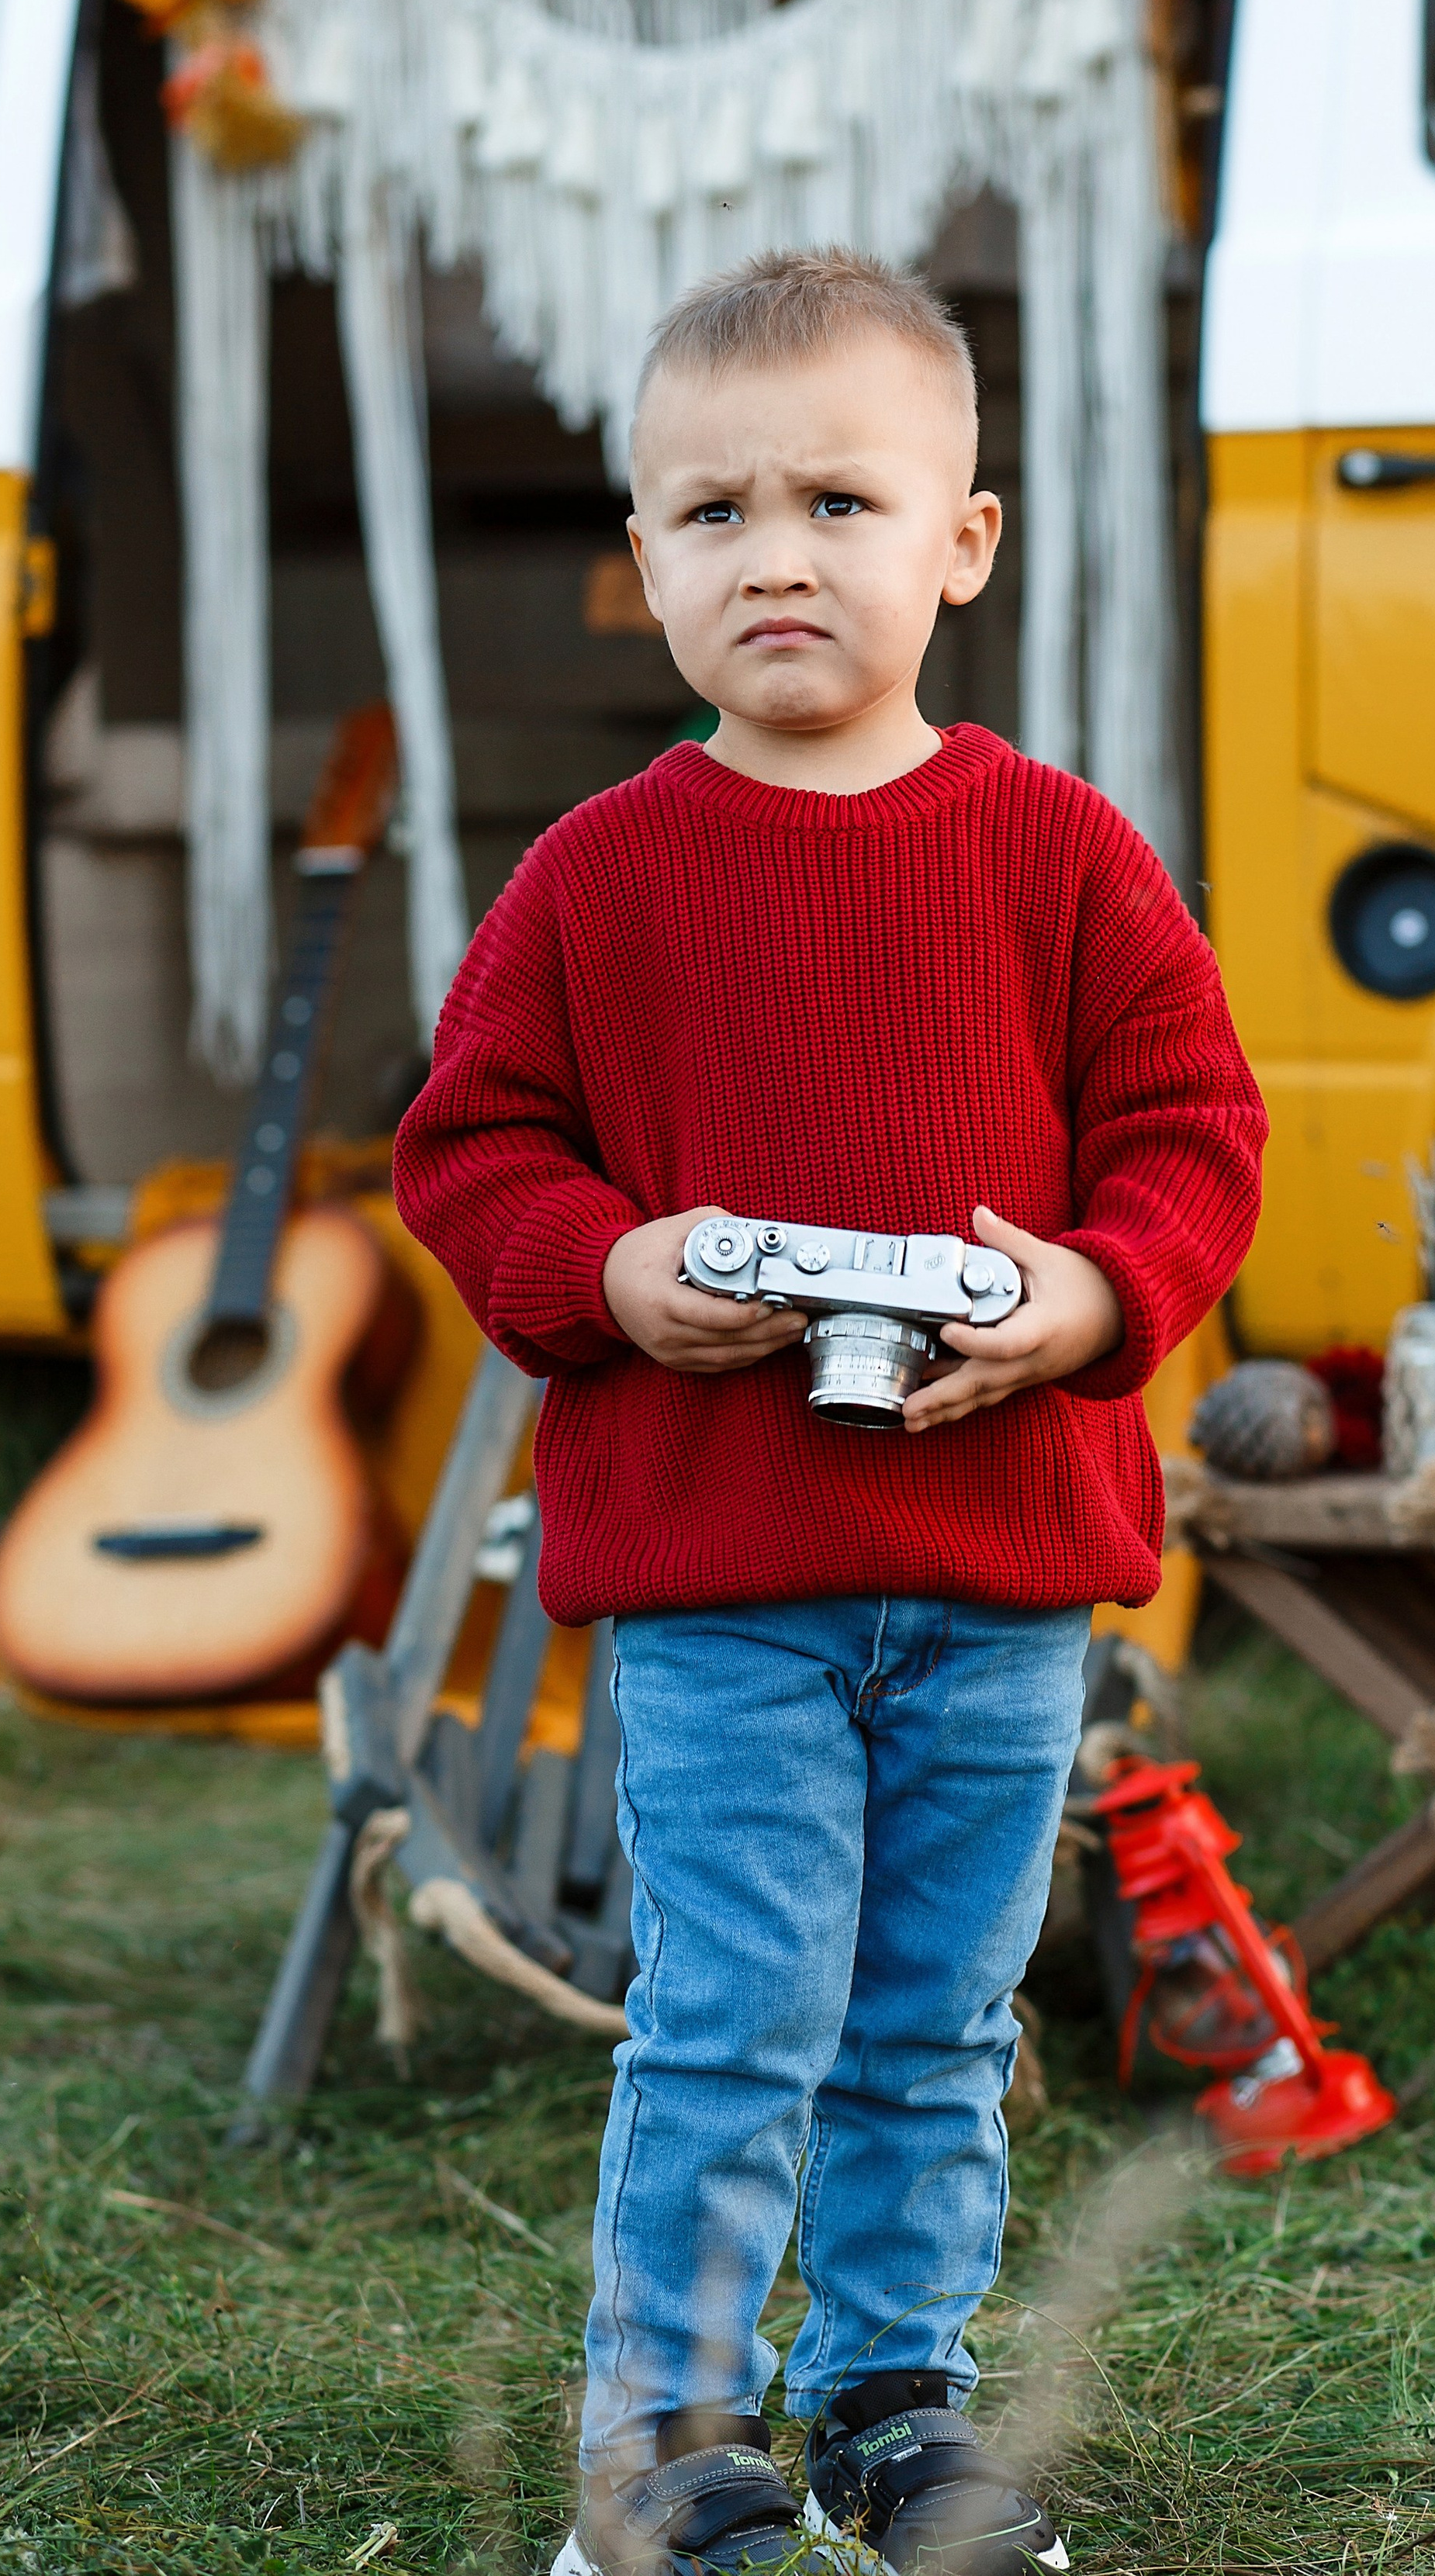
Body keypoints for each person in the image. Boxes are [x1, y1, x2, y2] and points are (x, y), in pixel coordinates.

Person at [393, 248, 1267, 2576]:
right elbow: (469, 1149)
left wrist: (1088, 1294)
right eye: (714, 513)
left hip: (999, 1577)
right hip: (724, 1580)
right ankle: (664, 2446)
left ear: (962, 543)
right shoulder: (600, 877)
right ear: (644, 557)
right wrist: (615, 1268)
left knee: (938, 2021)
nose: (775, 556)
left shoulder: (1060, 851)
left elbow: (1195, 1129)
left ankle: (895, 2404)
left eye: (839, 503)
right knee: (735, 2012)